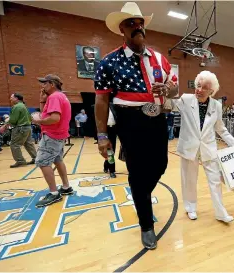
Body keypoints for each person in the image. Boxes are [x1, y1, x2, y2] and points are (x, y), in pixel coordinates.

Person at [94, 2, 178, 250]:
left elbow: (175, 87)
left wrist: (168, 89)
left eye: (140, 22)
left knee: (160, 165)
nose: (138, 27)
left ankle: (139, 194)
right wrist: (101, 135)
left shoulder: (160, 59)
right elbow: (101, 99)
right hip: (129, 122)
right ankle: (146, 225)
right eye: (131, 23)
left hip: (158, 118)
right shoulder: (109, 62)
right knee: (138, 172)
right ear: (121, 29)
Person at [173, 71, 234, 223]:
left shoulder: (216, 105)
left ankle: (220, 212)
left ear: (212, 91)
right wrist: (168, 91)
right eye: (198, 86)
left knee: (215, 180)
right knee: (189, 180)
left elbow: (221, 129)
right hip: (189, 148)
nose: (199, 90)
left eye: (204, 88)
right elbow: (169, 104)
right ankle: (190, 208)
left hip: (209, 149)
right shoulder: (185, 99)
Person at [31, 74, 73, 208]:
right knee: (57, 159)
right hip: (59, 134)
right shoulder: (59, 96)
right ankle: (66, 187)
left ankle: (54, 193)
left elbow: (54, 118)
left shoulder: (55, 97)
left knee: (42, 162)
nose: (42, 86)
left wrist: (38, 121)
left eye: (44, 83)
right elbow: (46, 113)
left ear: (52, 84)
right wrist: (42, 100)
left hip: (52, 135)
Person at [3, 93, 37, 168]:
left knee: (14, 145)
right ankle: (36, 158)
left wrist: (5, 125)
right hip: (28, 127)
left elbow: (13, 120)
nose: (10, 99)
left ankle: (20, 161)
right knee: (28, 144)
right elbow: (30, 118)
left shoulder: (16, 107)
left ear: (16, 98)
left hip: (20, 128)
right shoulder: (24, 106)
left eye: (11, 97)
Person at [103, 108, 117, 178]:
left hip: (113, 130)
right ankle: (112, 171)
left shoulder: (113, 106)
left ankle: (106, 164)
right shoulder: (99, 107)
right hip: (105, 131)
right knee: (109, 151)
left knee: (112, 151)